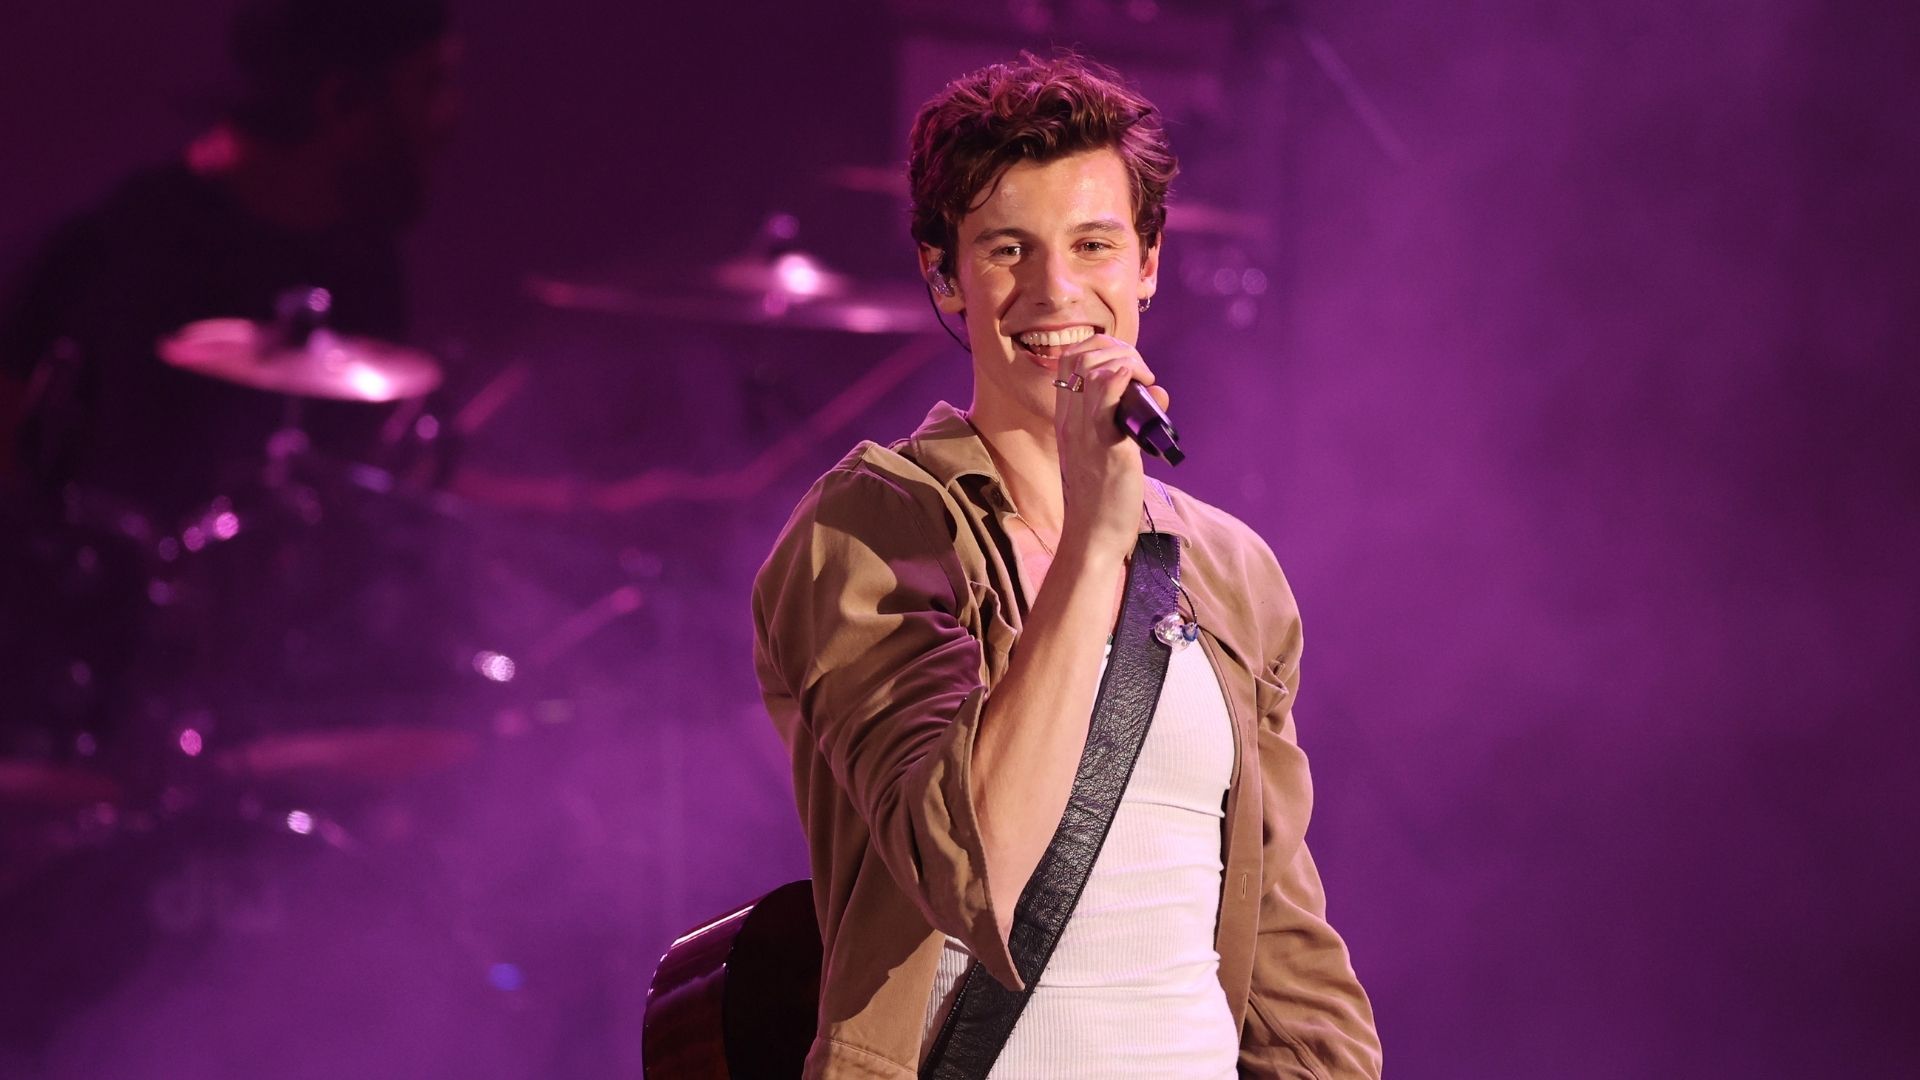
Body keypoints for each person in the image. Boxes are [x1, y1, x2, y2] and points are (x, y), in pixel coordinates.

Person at [752, 53, 1382, 1078]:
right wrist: (1096, 536)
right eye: (1008, 250)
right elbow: (970, 867)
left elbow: (1285, 951)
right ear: (943, 273)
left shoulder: (1228, 569)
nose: (1055, 290)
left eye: (1093, 244)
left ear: (1147, 262)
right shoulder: (872, 533)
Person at [0, 0, 458, 520]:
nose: (450, 117)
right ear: (342, 100)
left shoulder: (368, 269)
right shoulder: (115, 249)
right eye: (430, 84)